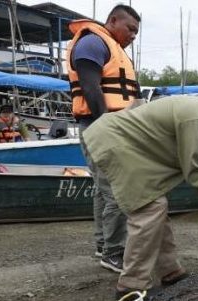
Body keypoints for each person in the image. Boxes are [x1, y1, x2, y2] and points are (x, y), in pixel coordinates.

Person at [82, 80, 198, 299]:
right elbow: (196, 173)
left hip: (118, 143)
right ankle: (131, 285)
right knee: (150, 209)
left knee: (155, 207)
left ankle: (170, 271)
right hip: (113, 144)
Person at [65, 5, 141, 271]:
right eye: (130, 29)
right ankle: (114, 252)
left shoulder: (116, 51)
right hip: (100, 127)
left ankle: (103, 246)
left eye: (136, 32)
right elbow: (90, 86)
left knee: (102, 190)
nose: (133, 36)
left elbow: (134, 97)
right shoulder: (92, 43)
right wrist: (106, 124)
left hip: (117, 129)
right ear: (113, 20)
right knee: (117, 192)